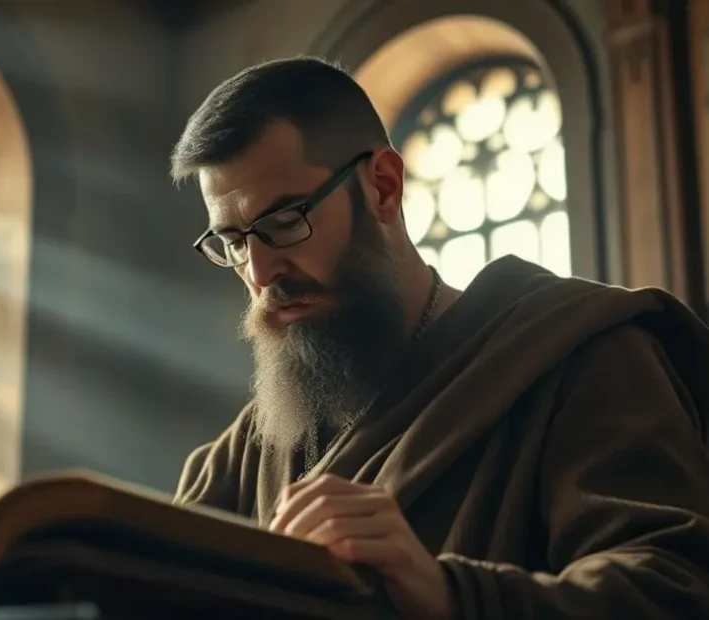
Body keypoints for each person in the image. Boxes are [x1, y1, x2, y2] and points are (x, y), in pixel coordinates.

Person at [169, 56, 709, 619]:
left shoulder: (581, 351)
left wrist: (447, 592)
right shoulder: (243, 453)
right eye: (234, 243)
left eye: (285, 222)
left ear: (383, 187)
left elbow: (671, 589)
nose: (260, 273)